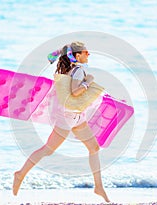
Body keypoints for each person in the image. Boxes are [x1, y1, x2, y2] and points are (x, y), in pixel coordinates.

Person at [12, 41, 110, 202]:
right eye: (86, 52)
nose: (88, 54)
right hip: (68, 118)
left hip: (77, 117)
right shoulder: (78, 71)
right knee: (47, 150)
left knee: (94, 148)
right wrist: (88, 82)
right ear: (77, 55)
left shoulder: (72, 69)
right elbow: (75, 92)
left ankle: (98, 187)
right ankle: (20, 174)